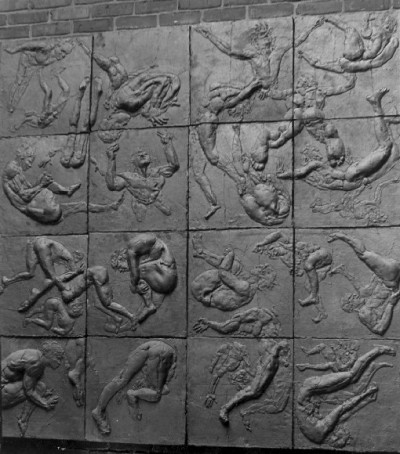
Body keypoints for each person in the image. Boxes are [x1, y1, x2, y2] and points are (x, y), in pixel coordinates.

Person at [297, 344, 395, 445]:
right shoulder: (320, 436)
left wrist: (366, 394)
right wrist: (366, 399)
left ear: (336, 437)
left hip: (310, 388)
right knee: (353, 381)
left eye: (344, 433)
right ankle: (374, 359)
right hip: (312, 395)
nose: (344, 431)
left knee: (352, 375)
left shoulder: (323, 429)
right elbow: (347, 414)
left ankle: (378, 349)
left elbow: (344, 407)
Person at [2, 144, 123, 225]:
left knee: (81, 205)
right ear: (22, 157)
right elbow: (24, 197)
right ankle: (66, 190)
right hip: (36, 208)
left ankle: (111, 207)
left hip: (46, 209)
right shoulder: (12, 170)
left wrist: (41, 183)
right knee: (44, 182)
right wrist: (41, 185)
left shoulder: (16, 168)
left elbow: (27, 191)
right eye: (29, 161)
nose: (29, 165)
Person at [91, 340, 177, 435]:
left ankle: (98, 410)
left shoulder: (166, 365)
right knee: (156, 394)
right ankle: (132, 395)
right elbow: (163, 387)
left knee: (121, 380)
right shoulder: (169, 360)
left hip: (147, 346)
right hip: (162, 352)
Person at [253, 230, 332, 322]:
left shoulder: (287, 241)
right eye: (273, 255)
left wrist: (262, 243)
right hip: (320, 265)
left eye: (273, 250)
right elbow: (300, 272)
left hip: (322, 254)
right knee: (308, 286)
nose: (275, 253)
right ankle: (322, 313)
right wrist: (295, 271)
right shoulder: (287, 259)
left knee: (307, 264)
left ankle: (313, 296)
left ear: (275, 245)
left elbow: (279, 233)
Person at [104, 131, 180, 222]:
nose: (142, 155)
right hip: (138, 202)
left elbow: (174, 165)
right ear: (132, 161)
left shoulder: (157, 172)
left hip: (158, 199)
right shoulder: (128, 177)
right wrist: (111, 159)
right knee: (140, 220)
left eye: (145, 154)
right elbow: (112, 185)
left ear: (150, 159)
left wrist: (168, 143)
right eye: (138, 155)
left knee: (169, 214)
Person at [191, 233, 276, 311]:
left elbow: (223, 273)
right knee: (235, 265)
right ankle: (201, 252)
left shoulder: (245, 287)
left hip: (204, 292)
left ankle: (201, 252)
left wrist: (230, 255)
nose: (259, 266)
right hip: (213, 289)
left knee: (231, 265)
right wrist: (230, 259)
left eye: (262, 268)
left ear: (261, 275)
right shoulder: (248, 280)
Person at [110, 234, 178, 325]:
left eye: (119, 267)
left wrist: (134, 286)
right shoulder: (142, 251)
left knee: (138, 273)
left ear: (121, 258)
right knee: (138, 273)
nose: (121, 270)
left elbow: (135, 275)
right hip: (165, 277)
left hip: (167, 277)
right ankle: (148, 305)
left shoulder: (131, 250)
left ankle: (149, 306)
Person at [218, 340, 290, 425]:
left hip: (261, 384)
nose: (286, 355)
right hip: (260, 382)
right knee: (248, 393)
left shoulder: (275, 359)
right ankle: (225, 409)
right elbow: (263, 370)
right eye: (285, 351)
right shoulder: (272, 358)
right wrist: (258, 380)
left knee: (246, 393)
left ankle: (226, 408)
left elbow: (272, 366)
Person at [1, 340, 64, 436]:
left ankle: (23, 420)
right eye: (58, 358)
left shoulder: (36, 355)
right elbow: (29, 391)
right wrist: (45, 403)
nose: (59, 362)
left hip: (6, 386)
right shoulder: (36, 363)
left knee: (39, 388)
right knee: (40, 387)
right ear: (49, 355)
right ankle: (23, 421)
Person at [298, 14, 398, 74]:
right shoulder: (387, 37)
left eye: (383, 22)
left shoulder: (378, 33)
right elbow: (377, 58)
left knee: (350, 29)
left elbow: (365, 33)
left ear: (387, 26)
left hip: (357, 56)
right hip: (356, 60)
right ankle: (328, 18)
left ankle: (329, 18)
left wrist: (366, 20)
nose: (380, 24)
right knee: (322, 64)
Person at [5, 39, 75, 113]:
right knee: (18, 82)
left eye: (66, 54)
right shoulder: (45, 47)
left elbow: (43, 65)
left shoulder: (55, 58)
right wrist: (14, 50)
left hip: (33, 67)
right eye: (62, 51)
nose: (63, 55)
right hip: (25, 59)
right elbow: (27, 45)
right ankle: (9, 102)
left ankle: (13, 105)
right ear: (58, 46)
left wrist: (41, 73)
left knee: (24, 85)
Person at [193, 307, 281, 337]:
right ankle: (207, 323)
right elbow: (255, 333)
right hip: (238, 322)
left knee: (224, 328)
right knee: (224, 328)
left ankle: (207, 323)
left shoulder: (260, 313)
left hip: (240, 322)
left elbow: (255, 332)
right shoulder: (260, 315)